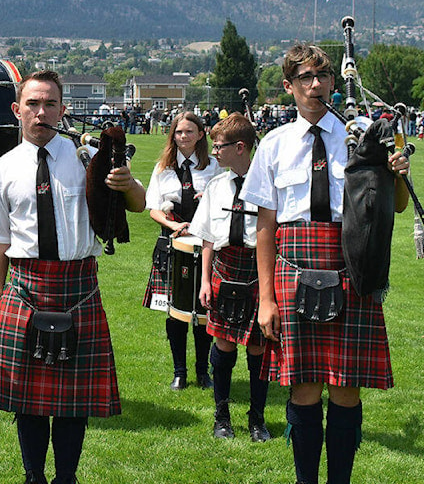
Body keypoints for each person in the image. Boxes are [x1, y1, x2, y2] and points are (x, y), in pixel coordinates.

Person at [243, 44, 409, 484]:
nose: (314, 85)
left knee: (346, 388)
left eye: (322, 76)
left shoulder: (360, 136)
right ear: (289, 87)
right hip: (293, 269)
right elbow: (265, 227)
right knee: (304, 388)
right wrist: (265, 298)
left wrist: (396, 172)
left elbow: (397, 206)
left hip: (350, 267)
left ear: (334, 83)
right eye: (304, 78)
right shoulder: (274, 145)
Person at [0, 70, 146, 484]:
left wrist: (125, 184)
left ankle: (66, 477)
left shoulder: (89, 159)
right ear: (17, 110)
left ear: (63, 110)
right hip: (25, 287)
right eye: (32, 104)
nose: (41, 112)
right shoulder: (1, 170)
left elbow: (139, 204)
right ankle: (33, 475)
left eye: (50, 104)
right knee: (29, 401)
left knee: (73, 403)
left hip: (78, 285)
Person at [191, 113, 271, 442]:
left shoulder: (267, 185)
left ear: (240, 147)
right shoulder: (216, 185)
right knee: (222, 347)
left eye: (219, 146)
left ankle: (257, 418)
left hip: (256, 269)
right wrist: (205, 281)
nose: (214, 152)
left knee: (257, 348)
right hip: (224, 268)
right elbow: (208, 237)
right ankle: (221, 416)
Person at [144, 111, 221, 390]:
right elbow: (152, 207)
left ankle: (203, 372)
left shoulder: (213, 166)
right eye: (178, 132)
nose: (183, 137)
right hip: (171, 244)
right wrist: (172, 224)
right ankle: (180, 372)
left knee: (203, 312)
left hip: (205, 246)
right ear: (172, 136)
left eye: (189, 132)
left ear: (201, 134)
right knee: (175, 312)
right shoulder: (162, 168)